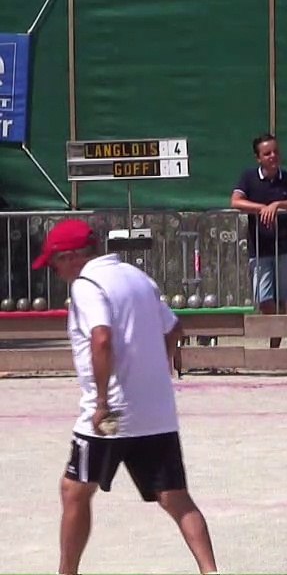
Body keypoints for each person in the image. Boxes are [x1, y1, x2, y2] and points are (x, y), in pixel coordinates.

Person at [36, 219, 217, 575]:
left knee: (74, 491)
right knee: (175, 497)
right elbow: (174, 329)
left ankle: (66, 573)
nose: (56, 272)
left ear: (72, 257)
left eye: (55, 263)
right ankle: (211, 572)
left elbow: (101, 338)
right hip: (156, 410)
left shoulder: (87, 285)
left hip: (112, 414)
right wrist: (156, 373)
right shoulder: (137, 277)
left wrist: (102, 402)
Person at [231, 133, 287, 348]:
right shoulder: (248, 177)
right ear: (258, 158)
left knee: (282, 299)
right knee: (264, 299)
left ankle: (276, 346)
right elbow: (236, 201)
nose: (273, 156)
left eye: (275, 152)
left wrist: (277, 205)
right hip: (259, 248)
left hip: (285, 245)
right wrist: (262, 208)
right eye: (267, 153)